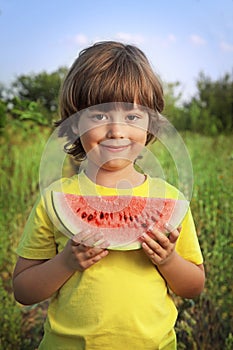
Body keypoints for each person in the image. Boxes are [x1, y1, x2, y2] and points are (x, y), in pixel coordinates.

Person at [13, 41, 205, 350]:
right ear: (75, 123)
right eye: (99, 116)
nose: (117, 131)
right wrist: (66, 262)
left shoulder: (169, 200)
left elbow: (194, 285)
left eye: (132, 117)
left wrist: (168, 260)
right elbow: (22, 289)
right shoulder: (55, 200)